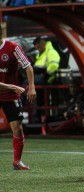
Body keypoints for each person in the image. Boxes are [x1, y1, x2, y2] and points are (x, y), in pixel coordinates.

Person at [0, 26, 36, 170]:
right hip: (11, 90)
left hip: (10, 96)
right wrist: (13, 87)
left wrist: (32, 87)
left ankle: (17, 162)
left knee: (17, 127)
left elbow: (28, 66)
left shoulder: (13, 48)